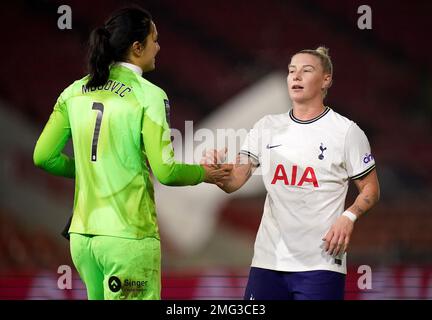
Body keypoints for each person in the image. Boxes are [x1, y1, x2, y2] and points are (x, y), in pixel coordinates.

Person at [33, 7, 231, 300]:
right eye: (154, 39)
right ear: (137, 47)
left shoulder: (73, 92)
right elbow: (166, 172)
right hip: (128, 238)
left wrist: (92, 168)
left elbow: (43, 157)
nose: (159, 47)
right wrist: (206, 174)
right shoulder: (148, 95)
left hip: (84, 240)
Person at [204, 47, 380, 300]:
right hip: (268, 262)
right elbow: (234, 181)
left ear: (326, 79)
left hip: (320, 263)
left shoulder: (347, 132)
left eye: (306, 70)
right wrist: (216, 171)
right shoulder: (266, 127)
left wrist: (348, 217)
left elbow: (371, 189)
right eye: (291, 71)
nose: (296, 76)